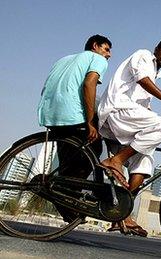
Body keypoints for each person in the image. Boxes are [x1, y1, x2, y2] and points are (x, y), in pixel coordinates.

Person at [98, 39, 161, 236]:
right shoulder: (144, 55)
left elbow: (143, 101)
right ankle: (115, 161)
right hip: (117, 110)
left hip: (127, 119)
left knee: (145, 159)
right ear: (157, 49)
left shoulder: (155, 73)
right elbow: (142, 80)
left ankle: (121, 212)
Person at [37, 34, 112, 222]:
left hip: (50, 114)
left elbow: (47, 86)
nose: (109, 55)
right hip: (72, 115)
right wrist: (89, 121)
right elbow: (89, 84)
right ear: (95, 46)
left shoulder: (63, 59)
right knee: (94, 151)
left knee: (67, 162)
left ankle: (64, 200)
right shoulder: (97, 59)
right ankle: (68, 201)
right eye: (106, 49)